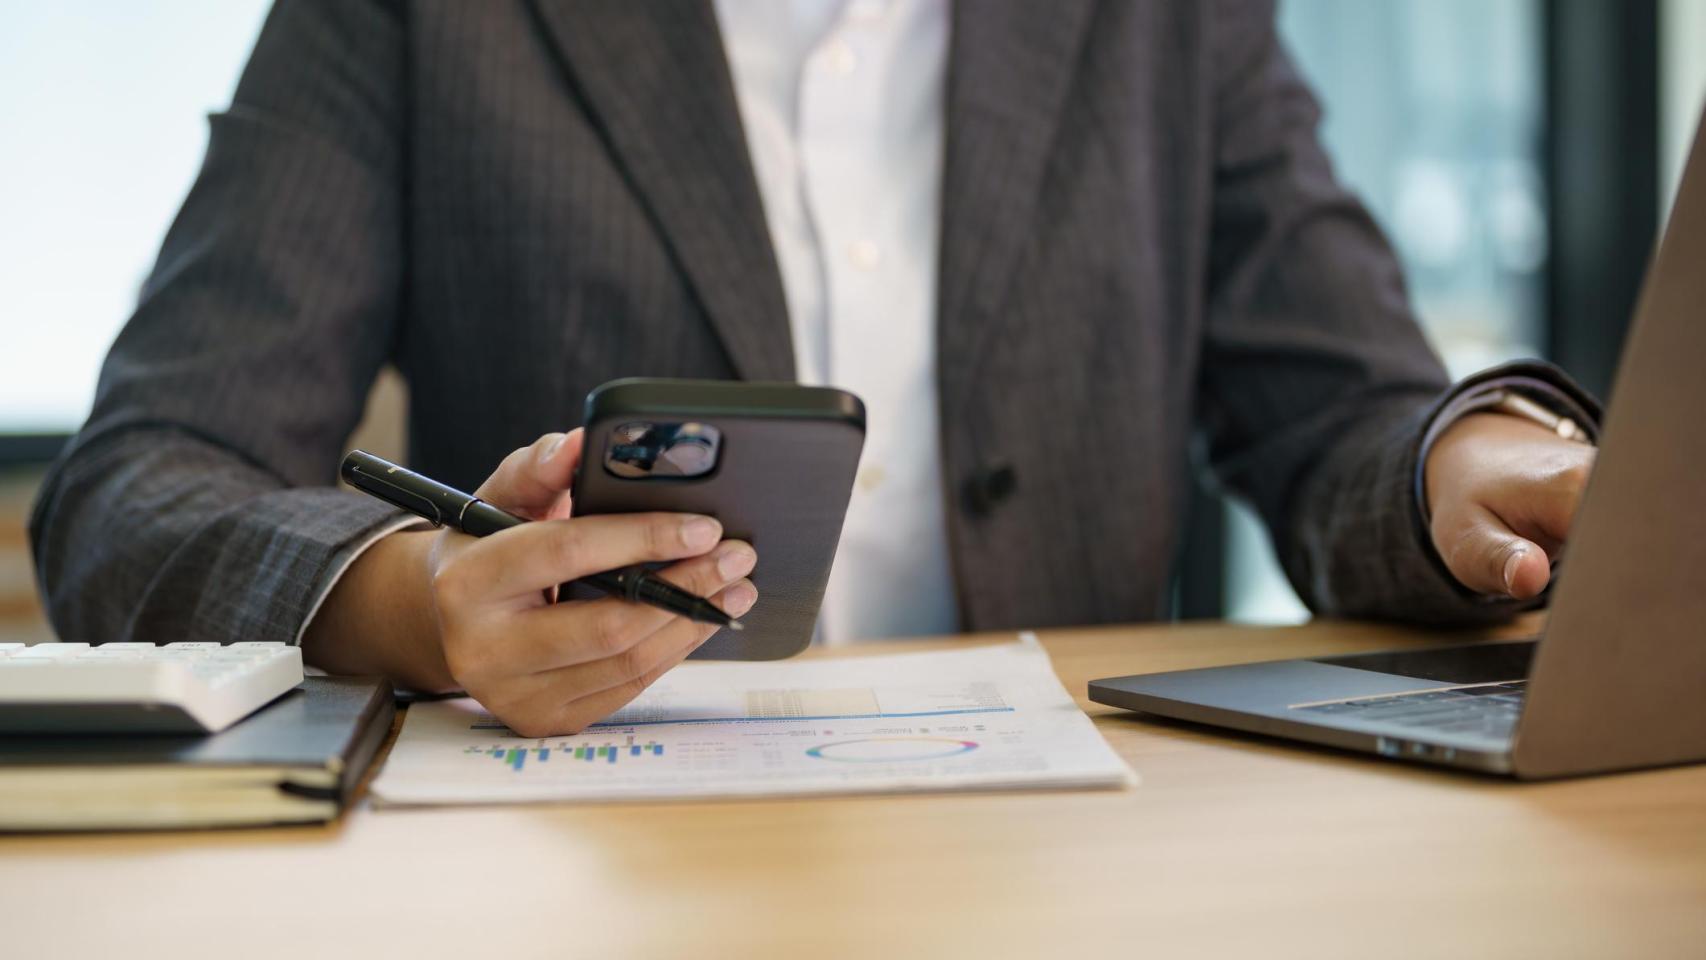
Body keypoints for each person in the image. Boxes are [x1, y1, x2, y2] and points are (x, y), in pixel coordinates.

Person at [30, 0, 1598, 738]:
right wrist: (420, 604)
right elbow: (138, 486)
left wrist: (1478, 472)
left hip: (1082, 868)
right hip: (582, 877)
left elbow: (1340, 407)